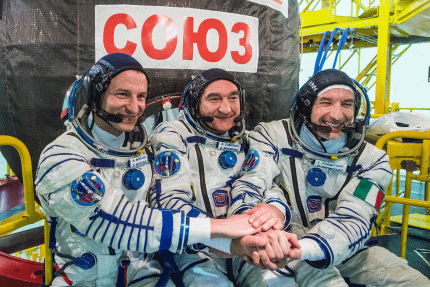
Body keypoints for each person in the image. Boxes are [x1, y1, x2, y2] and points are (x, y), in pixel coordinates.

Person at [35, 54, 270, 287]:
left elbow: (162, 219)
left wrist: (233, 246)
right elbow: (112, 220)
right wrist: (220, 227)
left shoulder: (146, 153)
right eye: (122, 94)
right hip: (82, 278)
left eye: (141, 97)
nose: (134, 107)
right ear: (94, 96)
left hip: (143, 272)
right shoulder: (60, 156)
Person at [230, 69, 430, 286]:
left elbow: (356, 217)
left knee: (413, 282)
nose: (337, 115)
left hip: (344, 246)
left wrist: (305, 248)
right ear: (305, 107)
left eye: (347, 104)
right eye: (326, 102)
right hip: (276, 240)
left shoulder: (372, 159)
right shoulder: (273, 136)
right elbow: (253, 182)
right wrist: (248, 232)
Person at [145, 68, 300, 287]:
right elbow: (167, 203)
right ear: (194, 103)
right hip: (196, 249)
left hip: (248, 241)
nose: (226, 109)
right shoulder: (172, 136)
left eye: (233, 98)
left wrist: (275, 210)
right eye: (214, 99)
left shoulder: (249, 140)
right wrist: (226, 232)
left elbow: (270, 185)